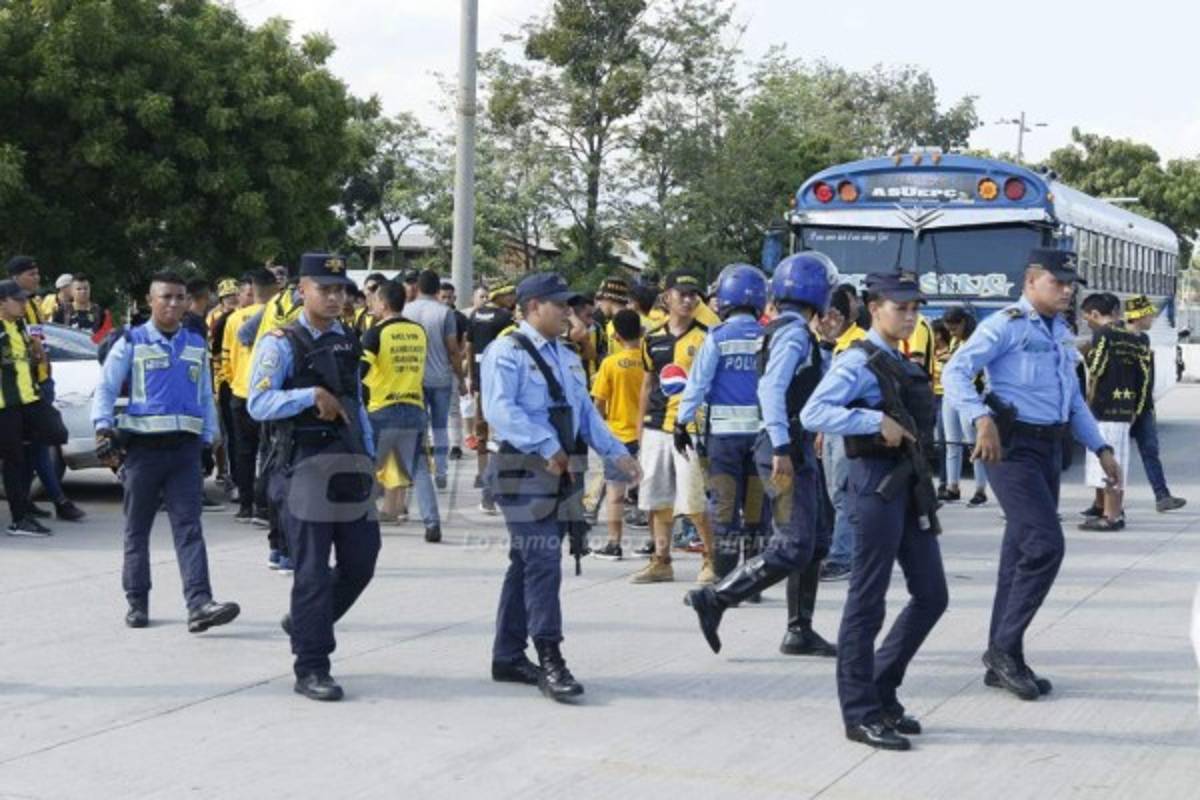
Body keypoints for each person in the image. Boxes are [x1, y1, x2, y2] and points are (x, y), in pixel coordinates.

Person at [943, 249, 1121, 703]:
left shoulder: (1060, 333)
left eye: (1070, 284)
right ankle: (1003, 650)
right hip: (1011, 448)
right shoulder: (1005, 324)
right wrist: (980, 417)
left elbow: (1074, 401)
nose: (1067, 290)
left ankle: (1004, 656)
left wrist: (1100, 447)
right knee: (1045, 545)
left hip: (1049, 448)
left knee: (1018, 554)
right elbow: (957, 369)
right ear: (1031, 281)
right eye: (1058, 282)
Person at [801, 271, 948, 751]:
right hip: (874, 487)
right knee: (867, 601)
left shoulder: (894, 357)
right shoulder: (858, 361)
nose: (909, 315)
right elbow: (812, 413)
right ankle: (860, 713)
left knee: (932, 594)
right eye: (899, 307)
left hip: (907, 486)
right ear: (874, 307)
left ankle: (882, 688)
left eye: (914, 308)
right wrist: (870, 419)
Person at [480, 272, 641, 702]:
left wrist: (618, 453)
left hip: (561, 471)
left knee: (526, 563)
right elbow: (499, 409)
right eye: (559, 305)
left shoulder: (567, 355)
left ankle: (508, 654)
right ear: (533, 307)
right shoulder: (506, 351)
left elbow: (585, 412)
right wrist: (547, 443)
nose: (568, 312)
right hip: (521, 466)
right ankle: (550, 657)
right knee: (542, 561)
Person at [685, 254, 838, 658]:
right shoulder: (791, 335)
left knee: (818, 539)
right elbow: (771, 389)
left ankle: (799, 630)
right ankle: (717, 598)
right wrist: (782, 444)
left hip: (793, 445)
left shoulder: (792, 331)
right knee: (793, 544)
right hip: (784, 449)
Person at [248, 252, 381, 702]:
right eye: (324, 288)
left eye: (341, 289)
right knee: (311, 569)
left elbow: (355, 403)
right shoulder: (280, 341)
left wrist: (370, 455)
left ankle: (305, 621)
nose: (335, 297)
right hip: (303, 463)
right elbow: (258, 403)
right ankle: (312, 664)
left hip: (348, 462)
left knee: (362, 560)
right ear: (301, 290)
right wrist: (309, 396)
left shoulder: (349, 338)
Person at [91, 270, 240, 632]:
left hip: (185, 453)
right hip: (142, 452)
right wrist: (102, 429)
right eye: (166, 297)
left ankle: (200, 604)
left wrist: (209, 440)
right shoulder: (131, 340)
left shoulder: (194, 343)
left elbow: (206, 396)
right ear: (150, 301)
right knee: (137, 530)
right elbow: (106, 389)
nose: (173, 303)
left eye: (179, 297)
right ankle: (137, 602)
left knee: (189, 529)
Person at [629, 271, 715, 585]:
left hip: (689, 429)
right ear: (667, 298)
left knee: (693, 499)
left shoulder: (707, 337)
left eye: (695, 294)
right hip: (655, 428)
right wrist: (640, 431)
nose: (690, 299)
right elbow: (647, 384)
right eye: (683, 294)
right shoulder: (652, 338)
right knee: (655, 499)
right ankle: (661, 561)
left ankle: (710, 559)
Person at [7, 255, 86, 522]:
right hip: (26, 388)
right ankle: (58, 500)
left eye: (38, 273)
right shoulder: (13, 308)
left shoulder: (33, 305)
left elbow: (37, 341)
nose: (37, 278)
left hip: (40, 382)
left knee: (35, 446)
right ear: (15, 277)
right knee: (39, 444)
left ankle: (28, 502)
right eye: (31, 274)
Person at [362, 280, 442, 542]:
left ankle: (359, 518)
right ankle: (432, 523)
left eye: (374, 300)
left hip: (382, 407)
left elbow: (359, 372)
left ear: (383, 304)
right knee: (419, 468)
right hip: (415, 406)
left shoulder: (375, 333)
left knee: (367, 464)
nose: (372, 304)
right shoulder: (418, 331)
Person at [1077, 292, 1148, 531]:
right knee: (1119, 461)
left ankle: (1111, 516)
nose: (1087, 323)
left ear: (1096, 314)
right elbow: (1143, 376)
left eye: (1088, 318)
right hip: (1125, 408)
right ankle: (1112, 511)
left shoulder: (1103, 334)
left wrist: (1084, 353)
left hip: (1104, 407)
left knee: (1107, 463)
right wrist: (1137, 408)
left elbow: (1096, 367)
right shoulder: (1134, 337)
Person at [815, 286, 865, 583]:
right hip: (832, 428)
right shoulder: (835, 344)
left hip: (847, 429)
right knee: (836, 494)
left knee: (844, 494)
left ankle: (844, 557)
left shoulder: (856, 343)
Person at [0, 280, 58, 536]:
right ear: (2, 302)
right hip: (5, 405)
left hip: (25, 402)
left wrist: (37, 351)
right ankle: (19, 518)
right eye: (18, 300)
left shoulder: (19, 326)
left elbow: (32, 361)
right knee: (14, 460)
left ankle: (22, 512)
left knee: (30, 453)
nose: (24, 304)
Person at [1119, 295, 1186, 513]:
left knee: (1150, 451)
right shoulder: (1119, 340)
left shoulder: (1143, 339)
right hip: (1123, 406)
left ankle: (1162, 496)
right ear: (1138, 316)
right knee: (1116, 454)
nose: (1152, 318)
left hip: (1144, 407)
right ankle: (1104, 503)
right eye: (1149, 314)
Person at [588, 308, 645, 559]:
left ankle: (614, 543)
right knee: (650, 493)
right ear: (642, 332)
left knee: (615, 493)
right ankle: (655, 543)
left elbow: (598, 404)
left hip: (618, 436)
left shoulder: (610, 364)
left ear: (617, 336)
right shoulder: (650, 359)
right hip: (647, 435)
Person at [403, 270, 466, 490]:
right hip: (440, 378)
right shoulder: (444, 313)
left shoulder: (405, 311)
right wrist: (462, 378)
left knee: (416, 428)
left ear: (418, 287)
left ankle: (414, 472)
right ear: (438, 289)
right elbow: (453, 350)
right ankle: (441, 472)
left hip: (412, 379)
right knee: (440, 427)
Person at [223, 269, 270, 523]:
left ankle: (245, 504)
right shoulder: (275, 316)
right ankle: (263, 508)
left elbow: (226, 358)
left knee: (243, 452)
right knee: (268, 452)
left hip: (240, 392)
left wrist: (233, 382)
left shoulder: (234, 319)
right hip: (266, 392)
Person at [466, 283, 517, 513]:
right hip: (499, 381)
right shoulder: (505, 318)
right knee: (499, 435)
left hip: (479, 379)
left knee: (481, 430)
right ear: (503, 295)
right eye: (511, 295)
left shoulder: (475, 314)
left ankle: (482, 472)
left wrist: (469, 377)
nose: (514, 299)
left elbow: (468, 345)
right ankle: (495, 486)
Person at [939, 306, 990, 507]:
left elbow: (976, 370)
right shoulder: (955, 342)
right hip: (950, 395)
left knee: (973, 444)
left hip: (970, 395)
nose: (951, 333)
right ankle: (953, 486)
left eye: (954, 329)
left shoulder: (975, 342)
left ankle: (980, 489)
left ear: (963, 323)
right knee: (951, 443)